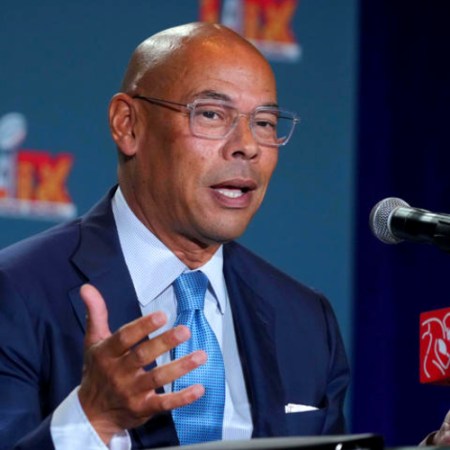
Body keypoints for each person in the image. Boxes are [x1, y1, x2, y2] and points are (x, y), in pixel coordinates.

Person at [0, 22, 350, 450]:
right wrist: (93, 420)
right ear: (128, 125)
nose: (247, 146)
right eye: (211, 114)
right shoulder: (16, 292)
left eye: (264, 122)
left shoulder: (307, 320)